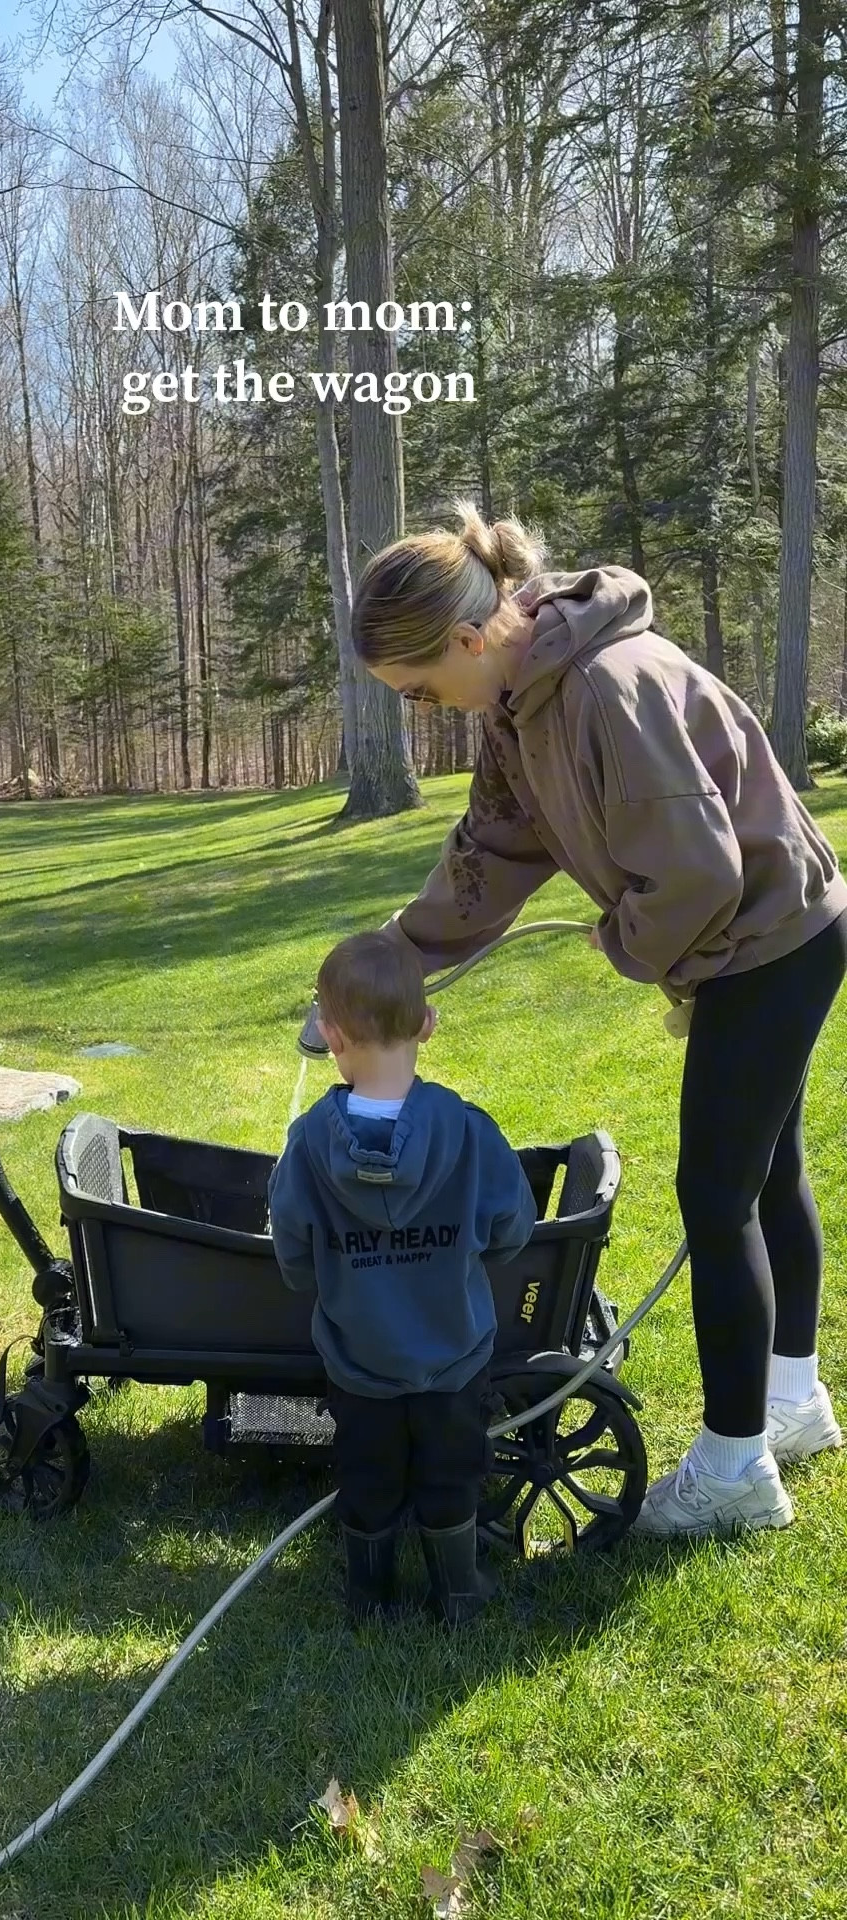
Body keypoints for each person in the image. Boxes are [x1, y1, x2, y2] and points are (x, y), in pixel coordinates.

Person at [346, 498, 847, 1539]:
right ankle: (793, 1402)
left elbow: (698, 875)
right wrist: (391, 963)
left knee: (717, 1194)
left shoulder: (607, 690)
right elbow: (490, 854)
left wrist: (632, 947)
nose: (430, 708)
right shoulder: (519, 705)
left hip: (777, 939)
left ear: (468, 638)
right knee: (769, 1173)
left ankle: (734, 1469)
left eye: (422, 687)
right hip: (757, 939)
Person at [268, 931, 536, 1625]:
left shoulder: (307, 1146)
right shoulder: (471, 1132)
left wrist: (317, 1276)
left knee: (368, 1475)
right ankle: (459, 1591)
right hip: (454, 1354)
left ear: (329, 1035)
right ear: (427, 1023)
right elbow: (512, 1224)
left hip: (360, 1362)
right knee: (453, 1473)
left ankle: (371, 1597)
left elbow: (293, 1250)